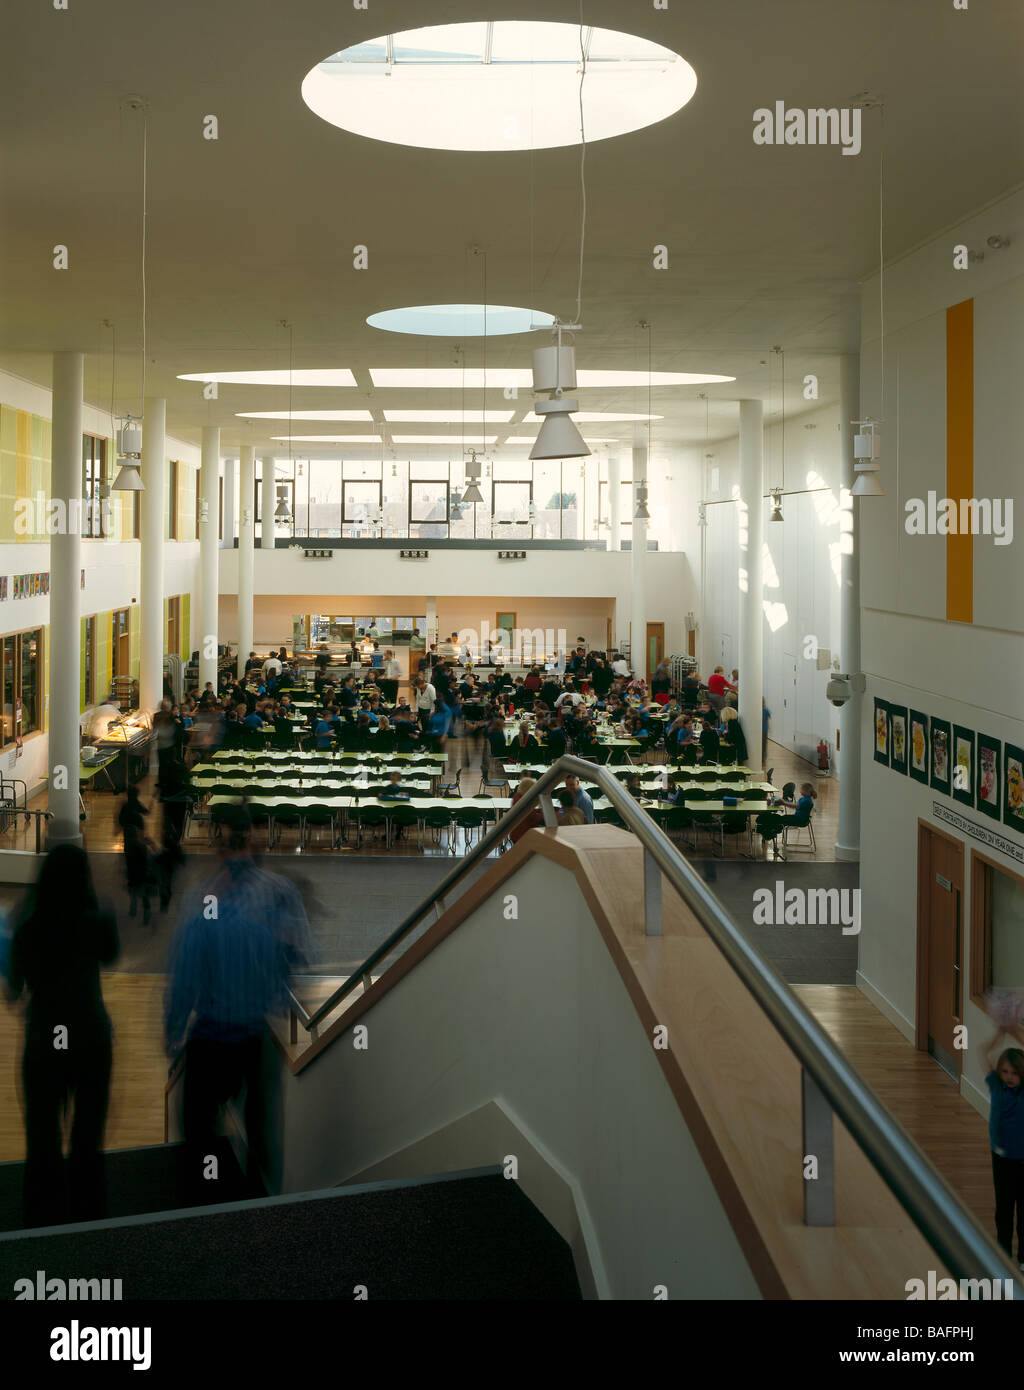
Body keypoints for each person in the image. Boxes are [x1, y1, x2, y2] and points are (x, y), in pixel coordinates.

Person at [165, 804, 313, 1203]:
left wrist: (173, 1034)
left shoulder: (203, 899)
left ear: (215, 841)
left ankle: (207, 1207)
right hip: (255, 1039)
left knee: (199, 1134)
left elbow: (185, 976)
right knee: (263, 1137)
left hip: (210, 1040)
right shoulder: (281, 893)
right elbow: (300, 956)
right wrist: (279, 991)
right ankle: (260, 1210)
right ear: (252, 838)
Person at [5, 846, 119, 1227]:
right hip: (91, 1039)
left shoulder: (28, 928)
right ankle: (89, 1219)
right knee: (88, 1142)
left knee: (42, 1141)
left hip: (44, 1042)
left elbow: (14, 990)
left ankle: (42, 1225)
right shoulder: (98, 921)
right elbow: (111, 954)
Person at [981, 1037, 1024, 1262]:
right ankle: (1004, 1255)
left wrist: (1015, 1030)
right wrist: (999, 1032)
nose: (1009, 1077)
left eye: (1014, 1073)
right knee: (1004, 1211)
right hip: (1001, 1160)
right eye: (1005, 1071)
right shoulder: (997, 1086)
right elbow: (983, 1052)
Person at [118, 785, 153, 923]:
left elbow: (120, 823)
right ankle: (146, 906)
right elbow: (147, 813)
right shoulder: (138, 815)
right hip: (140, 849)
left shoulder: (125, 808)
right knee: (143, 878)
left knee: (132, 877)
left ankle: (133, 904)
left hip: (129, 849)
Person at [508, 776, 544, 845]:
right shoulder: (524, 802)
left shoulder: (517, 797)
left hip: (516, 833)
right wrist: (542, 813)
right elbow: (534, 818)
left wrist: (538, 811)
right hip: (523, 835)